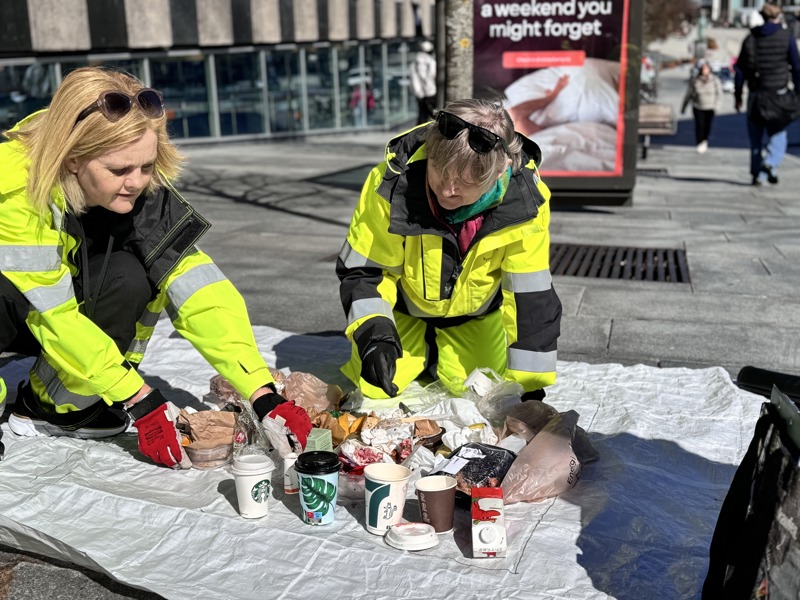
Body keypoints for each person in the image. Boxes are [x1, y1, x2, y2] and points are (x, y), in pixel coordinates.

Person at [0, 67, 311, 468]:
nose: (136, 182)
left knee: (131, 277)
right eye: (119, 171)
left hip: (47, 308)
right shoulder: (15, 188)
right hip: (16, 306)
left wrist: (261, 392)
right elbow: (51, 312)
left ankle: (52, 406)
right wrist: (139, 397)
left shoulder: (140, 183)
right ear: (73, 159)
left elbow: (200, 289)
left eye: (146, 166)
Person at [336, 99, 562, 401]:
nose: (448, 191)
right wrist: (375, 335)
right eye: (440, 172)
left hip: (475, 316)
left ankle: (435, 353)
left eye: (467, 182)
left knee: (485, 393)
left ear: (502, 170)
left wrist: (531, 386)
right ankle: (419, 348)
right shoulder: (389, 185)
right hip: (403, 311)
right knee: (373, 389)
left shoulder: (527, 204)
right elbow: (366, 270)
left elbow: (530, 296)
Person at [734, 2, 800, 186]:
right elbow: (796, 67)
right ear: (778, 17)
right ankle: (770, 164)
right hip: (779, 94)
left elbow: (740, 70)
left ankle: (758, 173)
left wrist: (738, 95)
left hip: (756, 94)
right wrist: (798, 90)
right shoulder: (786, 37)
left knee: (755, 138)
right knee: (778, 134)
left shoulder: (751, 38)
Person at [681, 60, 722, 153]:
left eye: (706, 68)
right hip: (698, 106)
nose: (705, 70)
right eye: (703, 68)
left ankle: (704, 140)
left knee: (707, 125)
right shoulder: (695, 80)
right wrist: (684, 107)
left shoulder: (715, 80)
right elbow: (689, 94)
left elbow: (719, 94)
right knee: (699, 125)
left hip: (710, 106)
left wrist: (717, 106)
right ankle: (699, 142)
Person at [410, 40, 437, 125]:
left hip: (420, 92)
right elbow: (431, 75)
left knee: (422, 114)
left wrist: (417, 91)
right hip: (430, 91)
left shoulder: (415, 62)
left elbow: (413, 78)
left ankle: (420, 132)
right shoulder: (431, 61)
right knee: (432, 113)